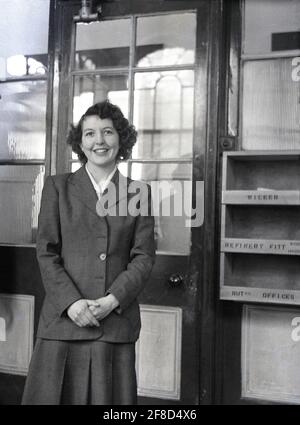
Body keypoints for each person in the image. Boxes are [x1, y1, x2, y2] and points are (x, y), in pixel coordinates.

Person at [22, 100, 155, 405]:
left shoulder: (139, 193)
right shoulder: (57, 187)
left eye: (108, 132)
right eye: (90, 134)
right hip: (63, 322)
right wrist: (71, 303)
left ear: (121, 139)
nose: (99, 141)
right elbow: (46, 252)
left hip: (115, 323)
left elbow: (144, 257)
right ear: (80, 142)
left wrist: (112, 300)